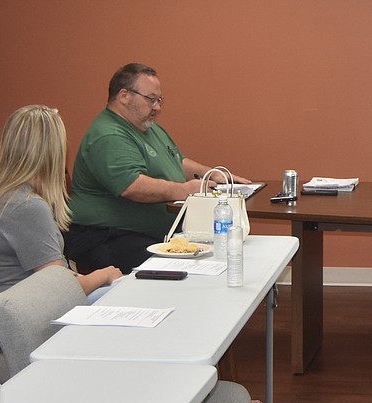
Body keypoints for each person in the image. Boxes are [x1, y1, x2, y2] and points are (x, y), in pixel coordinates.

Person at [64, 63, 250, 274]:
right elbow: (132, 186)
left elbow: (177, 160)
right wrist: (186, 190)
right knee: (190, 267)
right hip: (109, 237)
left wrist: (211, 174)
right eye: (151, 99)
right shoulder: (109, 135)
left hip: (147, 233)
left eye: (159, 100)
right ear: (124, 96)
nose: (157, 107)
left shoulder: (147, 127)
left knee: (221, 247)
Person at [0, 105, 122, 302]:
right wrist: (104, 275)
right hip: (37, 315)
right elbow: (58, 288)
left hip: (29, 305)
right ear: (52, 152)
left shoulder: (4, 197)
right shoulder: (26, 206)